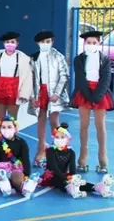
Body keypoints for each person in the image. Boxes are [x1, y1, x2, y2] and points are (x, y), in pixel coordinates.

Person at [71, 31, 114, 174]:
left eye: (94, 43)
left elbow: (106, 79)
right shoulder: (78, 59)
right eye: (88, 43)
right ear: (84, 43)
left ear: (99, 44)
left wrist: (96, 97)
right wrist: (87, 95)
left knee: (100, 126)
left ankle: (103, 159)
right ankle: (82, 159)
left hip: (99, 93)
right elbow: (79, 79)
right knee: (84, 125)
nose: (90, 45)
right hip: (84, 92)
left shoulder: (105, 59)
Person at [27, 31, 70, 166]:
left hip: (54, 93)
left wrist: (57, 93)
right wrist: (32, 96)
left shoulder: (59, 57)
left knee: (54, 119)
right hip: (40, 91)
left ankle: (59, 145)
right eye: (42, 42)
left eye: (48, 41)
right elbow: (30, 78)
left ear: (52, 41)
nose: (46, 44)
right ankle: (41, 149)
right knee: (40, 119)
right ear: (38, 43)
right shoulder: (33, 58)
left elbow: (64, 75)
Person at [40, 124, 114, 198]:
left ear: (68, 138)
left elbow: (72, 169)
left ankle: (97, 187)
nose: (59, 139)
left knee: (78, 182)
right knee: (61, 181)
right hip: (51, 176)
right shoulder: (50, 150)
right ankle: (70, 188)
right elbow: (53, 168)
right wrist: (67, 178)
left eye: (62, 137)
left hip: (64, 175)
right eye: (57, 137)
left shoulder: (71, 152)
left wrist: (74, 177)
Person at [0, 115, 39, 198]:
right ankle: (12, 188)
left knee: (17, 177)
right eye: (3, 127)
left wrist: (26, 175)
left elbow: (26, 160)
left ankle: (24, 189)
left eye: (9, 127)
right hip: (0, 169)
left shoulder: (21, 142)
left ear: (15, 129)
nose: (6, 130)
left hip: (16, 168)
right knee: (2, 176)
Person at [0, 32, 33, 129]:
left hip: (14, 89)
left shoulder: (23, 58)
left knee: (12, 118)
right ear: (3, 44)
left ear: (17, 44)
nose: (10, 44)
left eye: (12, 42)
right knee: (0, 119)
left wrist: (24, 94)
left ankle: (13, 140)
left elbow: (27, 77)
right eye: (7, 42)